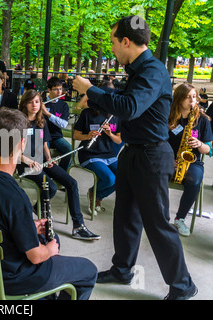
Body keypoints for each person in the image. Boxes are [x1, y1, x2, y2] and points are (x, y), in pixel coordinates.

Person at [72, 15, 198, 300]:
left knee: (158, 224)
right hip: (132, 152)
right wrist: (94, 98)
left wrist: (90, 89)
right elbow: (123, 104)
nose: (113, 49)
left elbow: (129, 107)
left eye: (114, 42)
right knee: (126, 216)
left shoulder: (152, 71)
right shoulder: (137, 70)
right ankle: (122, 269)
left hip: (152, 156)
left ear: (126, 42)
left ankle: (182, 285)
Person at [0, 107, 98, 300]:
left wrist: (27, 225)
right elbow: (35, 256)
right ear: (22, 144)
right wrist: (50, 250)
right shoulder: (15, 196)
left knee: (49, 237)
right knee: (87, 269)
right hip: (11, 277)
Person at [18, 90, 100, 240]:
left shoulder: (41, 121)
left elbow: (44, 143)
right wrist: (30, 161)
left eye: (37, 102)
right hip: (25, 163)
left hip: (42, 160)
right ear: (24, 104)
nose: (34, 105)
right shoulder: (18, 122)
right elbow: (13, 151)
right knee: (51, 187)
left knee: (71, 183)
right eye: (30, 102)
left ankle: (78, 226)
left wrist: (49, 159)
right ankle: (42, 217)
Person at [168, 83, 212, 236]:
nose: (192, 100)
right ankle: (158, 215)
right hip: (169, 158)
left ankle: (180, 218)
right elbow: (159, 141)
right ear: (179, 99)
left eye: (194, 97)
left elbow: (208, 149)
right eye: (188, 97)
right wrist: (167, 159)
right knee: (154, 174)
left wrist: (199, 144)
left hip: (193, 161)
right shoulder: (169, 118)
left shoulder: (203, 120)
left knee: (194, 181)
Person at [73, 97, 121, 215]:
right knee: (110, 179)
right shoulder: (87, 113)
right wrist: (87, 136)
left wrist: (110, 134)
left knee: (124, 177)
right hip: (89, 154)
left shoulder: (115, 116)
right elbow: (75, 135)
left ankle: (97, 194)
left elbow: (119, 140)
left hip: (109, 154)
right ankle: (95, 195)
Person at [43, 77, 72, 171]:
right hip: (43, 136)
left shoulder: (63, 105)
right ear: (49, 90)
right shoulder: (41, 103)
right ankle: (46, 175)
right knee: (44, 154)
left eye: (60, 89)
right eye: (55, 89)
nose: (59, 92)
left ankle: (61, 172)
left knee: (70, 151)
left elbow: (63, 125)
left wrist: (48, 114)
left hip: (56, 136)